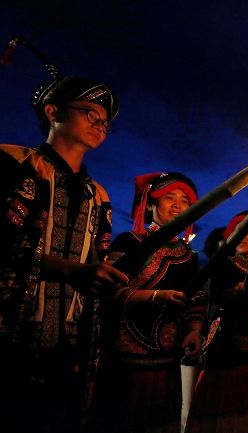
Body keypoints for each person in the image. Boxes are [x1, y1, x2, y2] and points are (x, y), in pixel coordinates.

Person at [0, 39, 128, 433]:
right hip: (10, 333)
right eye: (90, 113)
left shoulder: (98, 195)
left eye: (105, 121)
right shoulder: (12, 163)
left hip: (68, 345)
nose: (100, 125)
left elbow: (98, 261)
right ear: (53, 111)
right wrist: (67, 269)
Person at [89, 172, 206, 433]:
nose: (177, 205)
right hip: (126, 357)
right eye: (169, 198)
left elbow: (196, 298)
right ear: (151, 205)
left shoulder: (188, 255)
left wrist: (195, 330)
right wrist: (156, 297)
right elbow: (110, 292)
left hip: (168, 357)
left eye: (185, 200)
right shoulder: (129, 242)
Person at [186, 210, 248, 433]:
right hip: (226, 348)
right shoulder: (223, 265)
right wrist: (235, 294)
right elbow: (219, 297)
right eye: (238, 231)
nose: (242, 236)